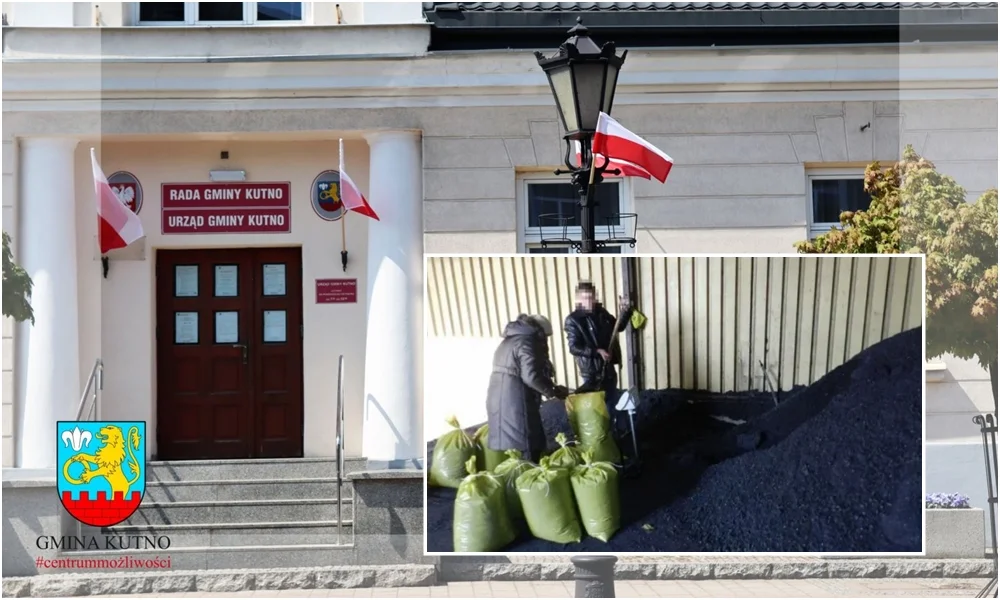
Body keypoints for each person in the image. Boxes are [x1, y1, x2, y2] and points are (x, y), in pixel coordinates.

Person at [485, 314, 570, 463]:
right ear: (539, 332)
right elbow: (531, 377)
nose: (546, 340)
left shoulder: (509, 341)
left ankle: (521, 472)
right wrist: (551, 392)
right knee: (527, 444)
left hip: (501, 397)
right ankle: (530, 473)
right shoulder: (527, 343)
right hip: (516, 401)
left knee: (515, 447)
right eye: (546, 336)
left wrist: (552, 387)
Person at [564, 282, 633, 436]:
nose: (589, 301)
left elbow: (618, 327)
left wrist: (625, 311)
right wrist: (597, 351)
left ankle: (615, 433)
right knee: (597, 406)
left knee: (612, 401)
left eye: (591, 297)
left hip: (607, 366)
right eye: (585, 297)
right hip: (591, 371)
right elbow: (574, 347)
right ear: (578, 299)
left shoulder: (602, 313)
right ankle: (599, 435)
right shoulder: (573, 320)